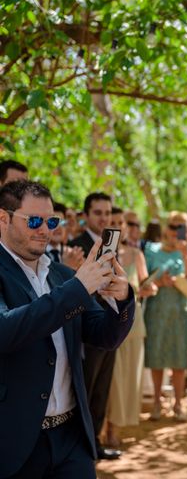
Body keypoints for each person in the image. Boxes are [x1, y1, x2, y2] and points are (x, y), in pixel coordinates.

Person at [0, 180, 135, 478]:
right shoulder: (70, 284)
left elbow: (105, 336)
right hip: (15, 444)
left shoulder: (61, 276)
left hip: (72, 439)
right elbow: (6, 330)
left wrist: (121, 299)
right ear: (3, 218)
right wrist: (78, 288)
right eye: (34, 220)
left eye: (51, 221)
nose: (44, 229)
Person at [67, 192, 122, 460]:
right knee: (86, 388)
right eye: (98, 213)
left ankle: (96, 444)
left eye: (107, 213)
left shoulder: (113, 245)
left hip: (111, 325)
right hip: (87, 329)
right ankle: (82, 448)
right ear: (86, 215)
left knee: (103, 387)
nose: (104, 218)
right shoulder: (75, 246)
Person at [105, 211, 157, 447]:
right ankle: (103, 428)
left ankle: (116, 428)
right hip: (106, 321)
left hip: (133, 321)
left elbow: (148, 286)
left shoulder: (136, 254)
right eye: (112, 223)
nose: (116, 227)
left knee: (127, 377)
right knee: (111, 377)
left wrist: (148, 288)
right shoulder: (100, 254)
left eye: (120, 224)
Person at [144, 211, 187, 421]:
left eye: (181, 227)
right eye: (173, 226)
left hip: (180, 311)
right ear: (167, 227)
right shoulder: (152, 250)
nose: (176, 231)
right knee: (157, 355)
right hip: (157, 310)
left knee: (179, 357)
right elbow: (145, 277)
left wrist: (184, 253)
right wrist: (159, 282)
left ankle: (178, 404)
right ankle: (157, 402)